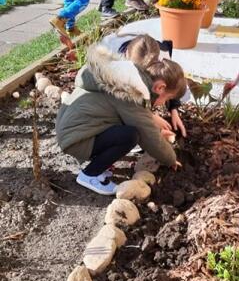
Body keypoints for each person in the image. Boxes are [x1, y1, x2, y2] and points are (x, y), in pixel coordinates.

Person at [55, 38, 186, 195]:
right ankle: (90, 175)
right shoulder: (130, 94)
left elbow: (135, 118)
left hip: (74, 130)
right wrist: (170, 158)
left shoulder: (121, 78)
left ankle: (99, 162)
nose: (163, 103)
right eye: (167, 99)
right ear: (160, 87)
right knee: (130, 136)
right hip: (77, 139)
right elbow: (148, 135)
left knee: (129, 130)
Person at [102, 32, 187, 138]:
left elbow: (172, 81)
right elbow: (123, 105)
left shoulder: (162, 55)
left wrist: (174, 109)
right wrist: (149, 117)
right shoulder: (116, 72)